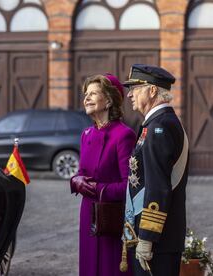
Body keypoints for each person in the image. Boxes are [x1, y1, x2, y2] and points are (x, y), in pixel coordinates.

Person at [122, 64, 189, 276]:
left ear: (152, 91)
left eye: (135, 88)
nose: (130, 94)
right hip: (158, 237)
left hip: (157, 241)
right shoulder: (157, 123)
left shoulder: (159, 127)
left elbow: (158, 187)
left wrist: (147, 238)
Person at [70, 74, 136, 276]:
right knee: (89, 266)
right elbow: (81, 172)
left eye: (94, 94)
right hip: (87, 211)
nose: (86, 99)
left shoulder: (124, 135)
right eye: (86, 94)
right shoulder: (86, 134)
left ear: (108, 101)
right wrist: (75, 181)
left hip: (111, 216)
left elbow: (129, 185)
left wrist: (98, 189)